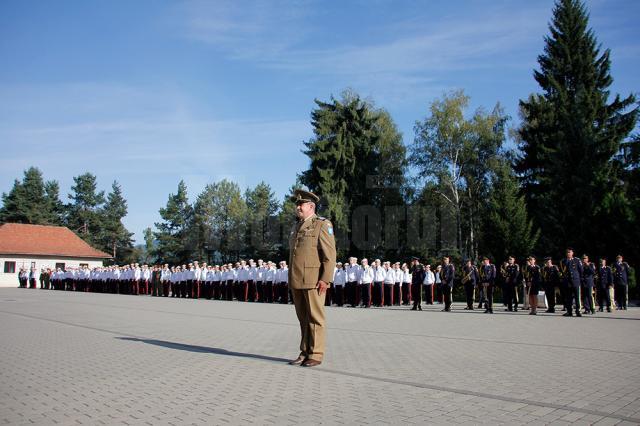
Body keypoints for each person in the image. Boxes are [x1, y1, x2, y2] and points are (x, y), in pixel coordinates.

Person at [287, 189, 336, 368]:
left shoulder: (322, 224)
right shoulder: (296, 226)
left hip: (314, 280)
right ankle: (305, 351)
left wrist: (325, 279)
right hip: (297, 279)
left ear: (311, 206)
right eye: (297, 204)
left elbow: (330, 255)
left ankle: (316, 353)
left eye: (301, 204)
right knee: (303, 319)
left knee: (316, 318)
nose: (297, 207)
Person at [560, 248, 583, 317]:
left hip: (576, 281)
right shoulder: (563, 261)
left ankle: (578, 311)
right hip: (568, 282)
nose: (568, 254)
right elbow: (563, 271)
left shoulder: (577, 260)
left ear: (572, 253)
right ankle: (569, 311)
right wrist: (567, 261)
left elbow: (581, 270)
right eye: (567, 252)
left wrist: (580, 279)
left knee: (577, 297)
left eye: (569, 252)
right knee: (568, 297)